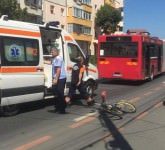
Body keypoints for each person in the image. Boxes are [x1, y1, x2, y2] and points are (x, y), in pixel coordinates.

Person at [44, 47, 67, 114]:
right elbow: (50, 62)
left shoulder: (58, 58)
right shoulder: (54, 59)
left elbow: (58, 70)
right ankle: (58, 108)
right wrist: (42, 61)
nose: (51, 53)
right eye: (51, 52)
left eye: (52, 52)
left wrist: (56, 79)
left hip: (60, 78)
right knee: (57, 94)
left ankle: (62, 110)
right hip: (58, 78)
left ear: (56, 52)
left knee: (60, 94)